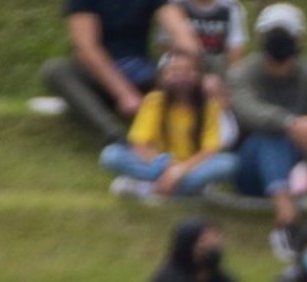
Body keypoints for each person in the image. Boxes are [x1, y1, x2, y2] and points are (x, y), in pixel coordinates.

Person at [41, 0, 201, 144]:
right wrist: (123, 93)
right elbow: (86, 47)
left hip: (141, 72)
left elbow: (179, 29)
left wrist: (190, 61)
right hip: (98, 76)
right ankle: (115, 135)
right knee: (56, 70)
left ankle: (199, 128)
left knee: (202, 64)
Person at [228, 3, 307, 260]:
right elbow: (248, 110)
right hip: (249, 169)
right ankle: (286, 222)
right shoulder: (242, 74)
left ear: (300, 38)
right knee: (273, 132)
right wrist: (291, 124)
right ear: (260, 37)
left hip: (295, 164)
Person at [101, 49, 240, 199]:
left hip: (191, 167)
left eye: (189, 71)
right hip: (157, 164)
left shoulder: (209, 106)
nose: (182, 76)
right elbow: (139, 143)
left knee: (229, 163)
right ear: (164, 76)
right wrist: (167, 166)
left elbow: (209, 151)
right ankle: (178, 191)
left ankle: (151, 189)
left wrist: (178, 171)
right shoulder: (154, 101)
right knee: (111, 155)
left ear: (199, 76)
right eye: (175, 71)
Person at [168, 0, 249, 91]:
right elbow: (167, 47)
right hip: (182, 69)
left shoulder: (231, 8)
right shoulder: (175, 2)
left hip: (218, 73)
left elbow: (235, 56)